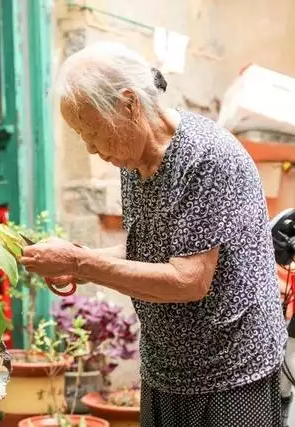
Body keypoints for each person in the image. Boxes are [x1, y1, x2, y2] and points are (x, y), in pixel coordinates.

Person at [19, 42, 287, 427]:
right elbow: (144, 248)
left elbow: (188, 280)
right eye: (82, 137)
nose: (92, 149)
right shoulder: (134, 161)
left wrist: (81, 262)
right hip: (167, 369)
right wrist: (77, 265)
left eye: (93, 132)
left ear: (129, 104)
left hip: (230, 372)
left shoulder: (204, 157)